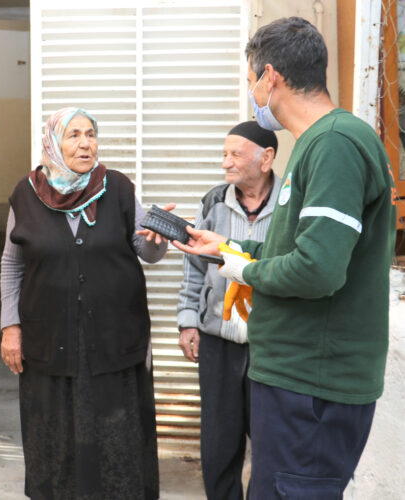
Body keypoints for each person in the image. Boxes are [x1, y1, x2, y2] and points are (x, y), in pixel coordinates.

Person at [174, 17, 398, 499]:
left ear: (270, 77)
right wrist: (227, 248)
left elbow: (317, 269)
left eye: (251, 79)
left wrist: (243, 269)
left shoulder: (335, 144)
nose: (252, 93)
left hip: (311, 384)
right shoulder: (318, 143)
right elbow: (296, 249)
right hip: (296, 379)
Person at [0, 107, 168, 499]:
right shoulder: (26, 194)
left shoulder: (118, 188)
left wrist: (156, 242)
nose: (85, 143)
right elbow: (12, 264)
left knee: (117, 438)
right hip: (49, 340)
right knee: (55, 439)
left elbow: (145, 247)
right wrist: (11, 327)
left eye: (90, 134)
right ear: (54, 142)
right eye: (73, 134)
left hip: (113, 341)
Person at [177, 121, 279, 500]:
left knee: (269, 446)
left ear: (265, 158)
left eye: (235, 154)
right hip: (218, 343)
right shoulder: (214, 202)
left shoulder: (291, 202)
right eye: (224, 154)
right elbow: (193, 266)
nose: (226, 164)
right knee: (218, 447)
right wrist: (188, 322)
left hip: (269, 345)